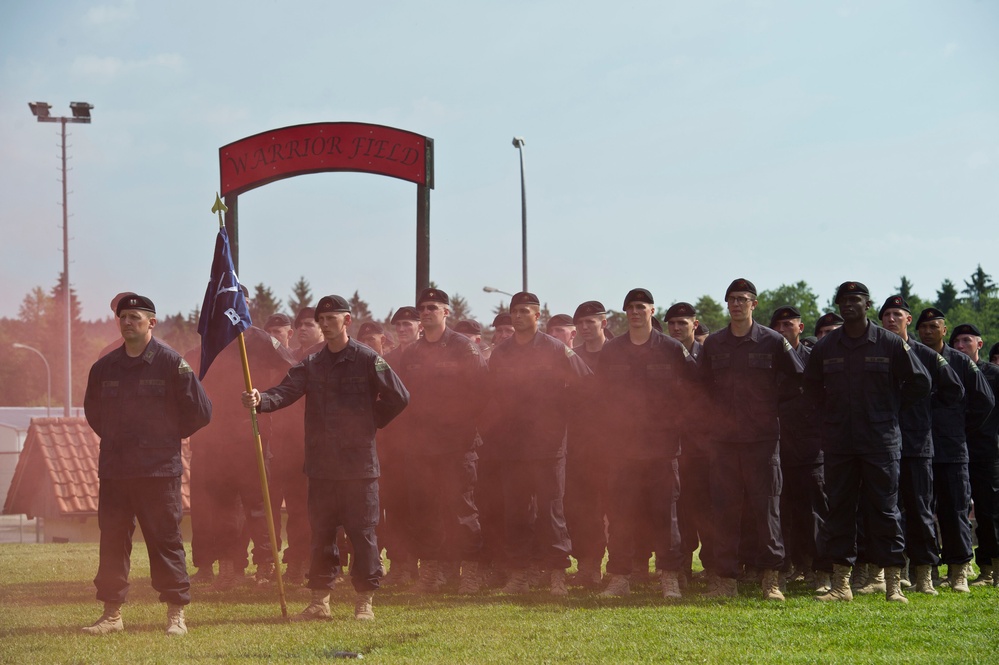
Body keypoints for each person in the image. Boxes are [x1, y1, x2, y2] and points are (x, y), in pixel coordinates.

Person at [242, 295, 409, 621]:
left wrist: (371, 421)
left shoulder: (366, 358)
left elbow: (399, 396)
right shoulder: (311, 363)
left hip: (359, 467)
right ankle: (320, 601)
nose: (326, 324)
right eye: (322, 319)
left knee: (362, 533)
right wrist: (262, 399)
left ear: (346, 321)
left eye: (332, 318)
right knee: (321, 534)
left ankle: (365, 602)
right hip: (320, 467)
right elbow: (285, 391)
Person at [82, 294, 212, 636]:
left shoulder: (172, 363)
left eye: (135, 317)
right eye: (123, 316)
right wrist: (119, 440)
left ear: (151, 322)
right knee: (112, 542)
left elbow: (201, 411)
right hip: (116, 470)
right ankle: (112, 615)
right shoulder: (104, 367)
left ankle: (175, 615)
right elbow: (94, 414)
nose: (127, 322)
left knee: (166, 541)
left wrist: (165, 438)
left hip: (158, 471)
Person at [804, 282, 930, 603]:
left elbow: (920, 382)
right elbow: (811, 390)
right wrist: (828, 421)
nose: (848, 305)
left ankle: (892, 584)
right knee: (840, 512)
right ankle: (841, 585)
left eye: (855, 300)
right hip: (840, 443)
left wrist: (891, 409)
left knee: (885, 512)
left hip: (880, 441)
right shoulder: (826, 346)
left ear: (867, 305)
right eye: (843, 301)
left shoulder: (889, 343)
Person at [699, 279, 803, 601]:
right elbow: (700, 387)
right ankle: (725, 580)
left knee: (767, 508)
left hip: (762, 440)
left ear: (754, 304)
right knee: (724, 511)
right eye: (731, 299)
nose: (737, 304)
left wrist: (768, 407)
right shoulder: (714, 344)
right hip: (724, 442)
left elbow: (797, 378)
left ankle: (771, 579)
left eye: (743, 299)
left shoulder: (772, 341)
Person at [485, 291, 592, 596]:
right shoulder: (502, 352)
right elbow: (491, 393)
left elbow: (587, 383)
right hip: (513, 446)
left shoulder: (556, 349)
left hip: (548, 445)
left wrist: (563, 415)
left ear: (537, 315)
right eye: (514, 312)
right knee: (516, 512)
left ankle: (557, 573)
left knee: (551, 511)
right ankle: (519, 575)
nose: (518, 317)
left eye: (525, 311)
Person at [597, 289, 694, 599]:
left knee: (666, 516)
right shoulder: (612, 350)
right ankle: (619, 578)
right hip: (622, 450)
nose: (635, 311)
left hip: (662, 450)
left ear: (652, 310)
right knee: (621, 515)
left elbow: (695, 389)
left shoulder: (671, 348)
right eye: (630, 307)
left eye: (641, 306)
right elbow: (598, 396)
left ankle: (669, 577)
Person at [395, 288, 489, 593]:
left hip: (456, 445)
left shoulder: (464, 348)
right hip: (420, 447)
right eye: (422, 308)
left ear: (446, 312)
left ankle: (470, 572)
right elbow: (401, 398)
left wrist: (462, 429)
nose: (426, 312)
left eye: (433, 307)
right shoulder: (411, 353)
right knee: (424, 511)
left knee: (461, 509)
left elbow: (481, 394)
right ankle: (431, 572)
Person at [879, 296, 963, 595]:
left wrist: (925, 408)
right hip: (883, 444)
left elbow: (954, 389)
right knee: (889, 511)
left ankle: (924, 574)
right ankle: (895, 570)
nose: (891, 319)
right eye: (886, 314)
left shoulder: (924, 354)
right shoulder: (877, 354)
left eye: (897, 314)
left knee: (920, 510)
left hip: (916, 444)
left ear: (908, 319)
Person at [917, 308, 995, 592]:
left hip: (952, 449)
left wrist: (964, 428)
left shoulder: (960, 361)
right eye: (923, 326)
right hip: (918, 448)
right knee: (921, 511)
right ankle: (926, 573)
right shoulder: (911, 357)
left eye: (933, 326)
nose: (928, 331)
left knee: (955, 510)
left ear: (943, 329)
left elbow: (985, 401)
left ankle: (959, 570)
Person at [769, 305, 830, 593]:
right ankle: (785, 569)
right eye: (777, 326)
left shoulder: (814, 359)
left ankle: (821, 573)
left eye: (788, 325)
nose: (782, 330)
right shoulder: (769, 362)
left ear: (800, 328)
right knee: (781, 514)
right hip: (777, 448)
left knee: (815, 513)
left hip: (811, 448)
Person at [564, 300, 611, 587]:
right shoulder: (572, 356)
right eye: (580, 323)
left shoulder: (618, 354)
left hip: (615, 443)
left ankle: (625, 569)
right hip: (580, 445)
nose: (585, 327)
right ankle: (589, 566)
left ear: (603, 323)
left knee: (618, 508)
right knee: (582, 508)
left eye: (590, 322)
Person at [666, 302, 711, 586]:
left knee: (706, 507)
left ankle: (712, 567)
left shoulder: (707, 355)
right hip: (672, 442)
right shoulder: (663, 354)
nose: (677, 328)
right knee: (678, 507)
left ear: (695, 325)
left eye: (683, 323)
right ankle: (681, 567)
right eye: (672, 324)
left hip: (703, 445)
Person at [950, 323, 999, 587]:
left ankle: (993, 568)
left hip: (987, 451)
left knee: (989, 512)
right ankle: (967, 566)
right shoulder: (949, 369)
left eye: (966, 341)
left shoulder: (994, 374)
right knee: (955, 508)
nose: (960, 346)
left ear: (979, 344)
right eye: (956, 341)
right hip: (955, 450)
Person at [378, 306, 422, 585]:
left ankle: (424, 566)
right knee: (395, 508)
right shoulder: (387, 359)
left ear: (419, 326)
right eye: (398, 325)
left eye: (408, 324)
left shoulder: (430, 354)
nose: (403, 329)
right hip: (395, 444)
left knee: (423, 508)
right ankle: (399, 564)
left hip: (427, 444)